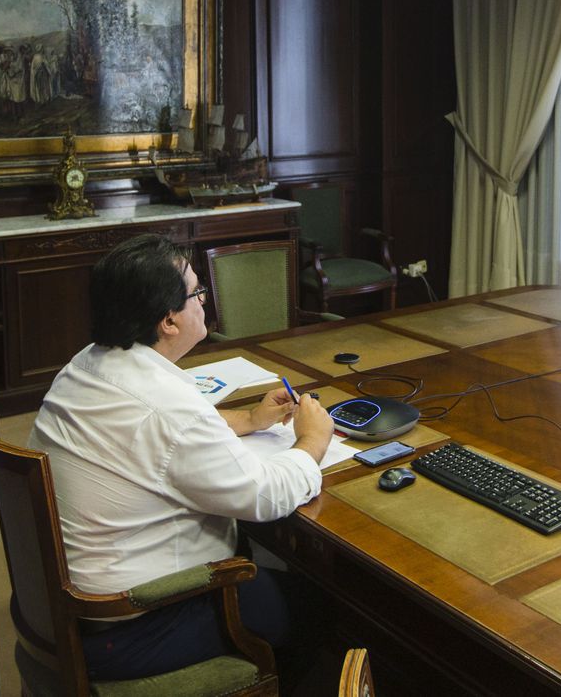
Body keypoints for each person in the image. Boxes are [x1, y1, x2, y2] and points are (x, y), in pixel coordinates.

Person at [29, 235, 335, 685]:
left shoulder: (88, 365)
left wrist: (250, 419)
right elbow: (265, 496)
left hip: (78, 605)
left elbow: (148, 440)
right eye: (197, 292)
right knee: (322, 609)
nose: (204, 300)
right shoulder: (166, 407)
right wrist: (312, 441)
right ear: (169, 321)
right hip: (137, 621)